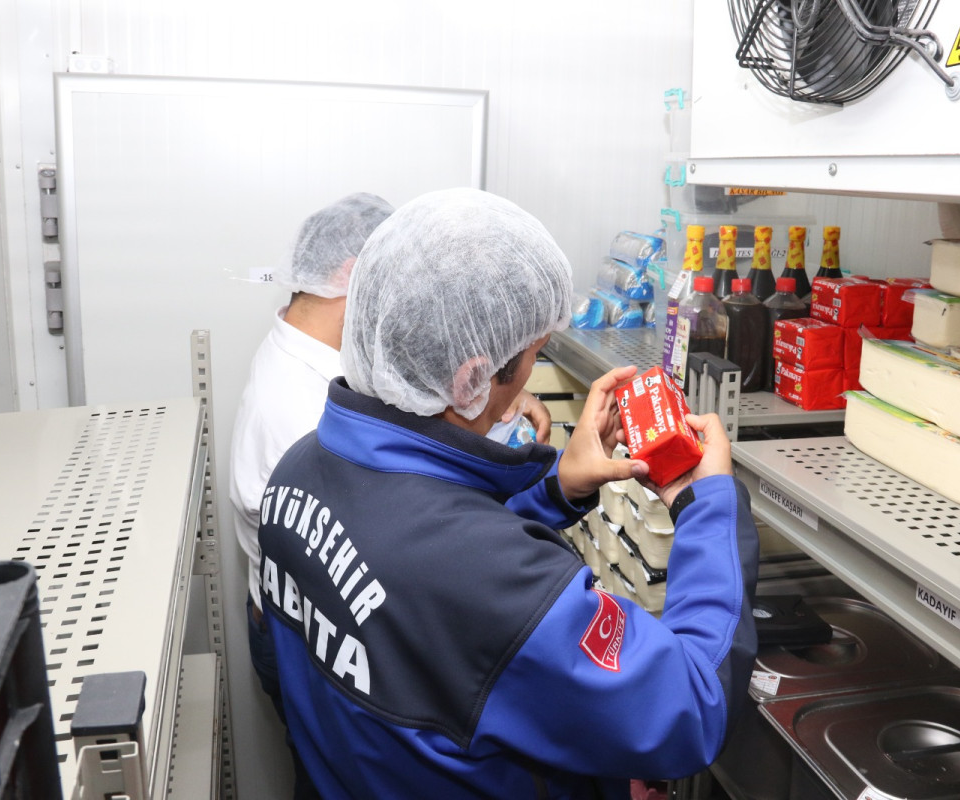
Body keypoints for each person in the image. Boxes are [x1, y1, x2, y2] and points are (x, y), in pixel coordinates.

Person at [257, 188, 760, 799]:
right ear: (472, 377)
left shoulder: (297, 470)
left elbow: (420, 568)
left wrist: (556, 487)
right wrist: (709, 506)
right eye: (531, 354)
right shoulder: (490, 580)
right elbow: (692, 705)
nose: (527, 374)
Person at [231, 192, 554, 797]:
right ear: (358, 274)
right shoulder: (300, 411)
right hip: (335, 634)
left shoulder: (302, 351)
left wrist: (492, 392)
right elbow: (419, 540)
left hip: (316, 620)